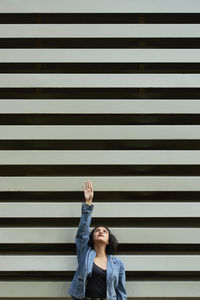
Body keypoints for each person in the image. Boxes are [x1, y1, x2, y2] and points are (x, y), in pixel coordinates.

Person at [67, 179, 127, 300]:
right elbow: (82, 232)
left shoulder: (118, 264)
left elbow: (121, 292)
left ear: (109, 240)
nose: (101, 232)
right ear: (92, 238)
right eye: (97, 231)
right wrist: (88, 203)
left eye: (105, 232)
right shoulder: (85, 253)